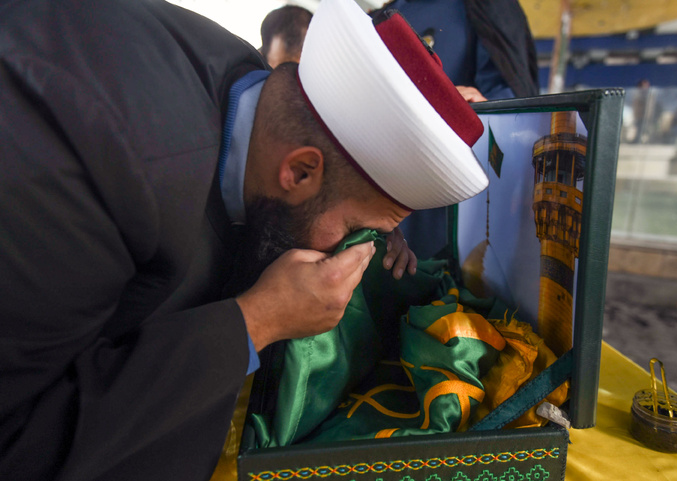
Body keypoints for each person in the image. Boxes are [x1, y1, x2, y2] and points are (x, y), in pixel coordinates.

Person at [0, 0, 488, 479]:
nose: (350, 249)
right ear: (298, 171)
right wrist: (256, 320)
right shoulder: (89, 160)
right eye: (354, 228)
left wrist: (369, 207)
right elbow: (19, 442)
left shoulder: (258, 92)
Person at [372, 0, 539, 259]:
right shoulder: (385, 13)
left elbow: (510, 100)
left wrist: (483, 107)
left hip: (455, 198)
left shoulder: (486, 6)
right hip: (390, 187)